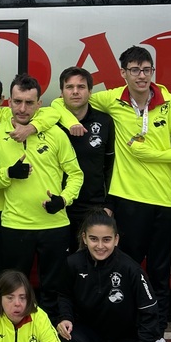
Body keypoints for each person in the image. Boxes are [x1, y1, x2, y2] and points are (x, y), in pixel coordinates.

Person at [55, 45, 171, 342]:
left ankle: (156, 339)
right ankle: (121, 337)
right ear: (123, 73)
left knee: (159, 274)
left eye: (147, 69)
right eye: (134, 70)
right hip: (125, 201)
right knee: (121, 274)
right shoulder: (110, 99)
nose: (141, 76)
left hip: (161, 201)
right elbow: (63, 104)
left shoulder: (167, 102)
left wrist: (151, 155)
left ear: (153, 72)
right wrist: (66, 120)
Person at [0, 74, 83, 320]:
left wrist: (63, 200)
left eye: (29, 102)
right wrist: (8, 174)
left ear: (39, 105)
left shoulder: (56, 134)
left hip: (55, 225)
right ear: (9, 102)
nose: (22, 108)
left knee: (53, 289)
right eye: (17, 102)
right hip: (16, 225)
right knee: (14, 290)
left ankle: (51, 339)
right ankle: (14, 337)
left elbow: (76, 175)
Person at [0, 74, 63, 314]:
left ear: (2, 100)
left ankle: (2, 316)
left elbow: (53, 112)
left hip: (3, 211)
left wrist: (33, 127)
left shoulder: (13, 117)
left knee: (1, 274)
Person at [57, 213, 159, 342]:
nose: (100, 246)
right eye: (94, 239)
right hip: (91, 337)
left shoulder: (131, 269)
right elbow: (64, 295)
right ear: (84, 238)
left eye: (107, 239)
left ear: (116, 239)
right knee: (65, 332)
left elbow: (150, 311)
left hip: (126, 341)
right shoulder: (73, 263)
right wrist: (65, 317)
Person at [55, 67, 115, 251]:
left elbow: (111, 166)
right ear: (61, 92)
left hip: (93, 207)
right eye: (69, 87)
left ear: (90, 91)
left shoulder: (105, 122)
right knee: (60, 264)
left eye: (81, 87)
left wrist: (109, 204)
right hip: (59, 205)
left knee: (91, 263)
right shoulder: (51, 122)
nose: (75, 91)